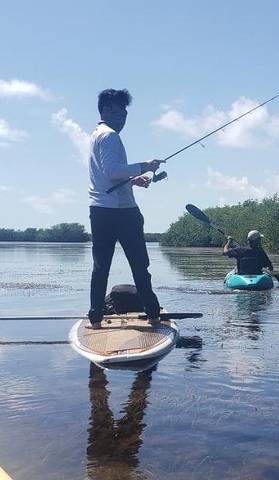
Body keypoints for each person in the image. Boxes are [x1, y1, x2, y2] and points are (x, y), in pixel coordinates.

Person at [87, 88, 164, 328]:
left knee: (101, 267)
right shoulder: (110, 136)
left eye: (126, 111)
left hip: (100, 210)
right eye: (121, 110)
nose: (124, 116)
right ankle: (153, 315)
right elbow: (112, 172)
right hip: (122, 212)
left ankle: (96, 318)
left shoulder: (96, 134)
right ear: (107, 109)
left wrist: (133, 181)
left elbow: (106, 174)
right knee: (140, 264)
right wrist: (145, 166)